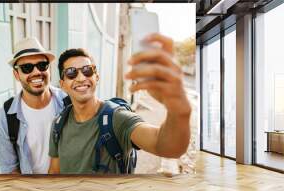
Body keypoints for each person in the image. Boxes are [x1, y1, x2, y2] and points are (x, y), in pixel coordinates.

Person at [48, 33, 191, 174]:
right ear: (62, 84)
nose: (80, 78)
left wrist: (177, 109)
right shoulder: (59, 123)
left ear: (96, 77)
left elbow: (168, 147)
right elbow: (55, 171)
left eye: (87, 70)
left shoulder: (117, 118)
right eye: (71, 73)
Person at [0, 37, 66, 174]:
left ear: (49, 68)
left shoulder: (67, 103)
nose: (36, 72)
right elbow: (10, 170)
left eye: (42, 65)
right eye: (27, 68)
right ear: (16, 74)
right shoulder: (3, 118)